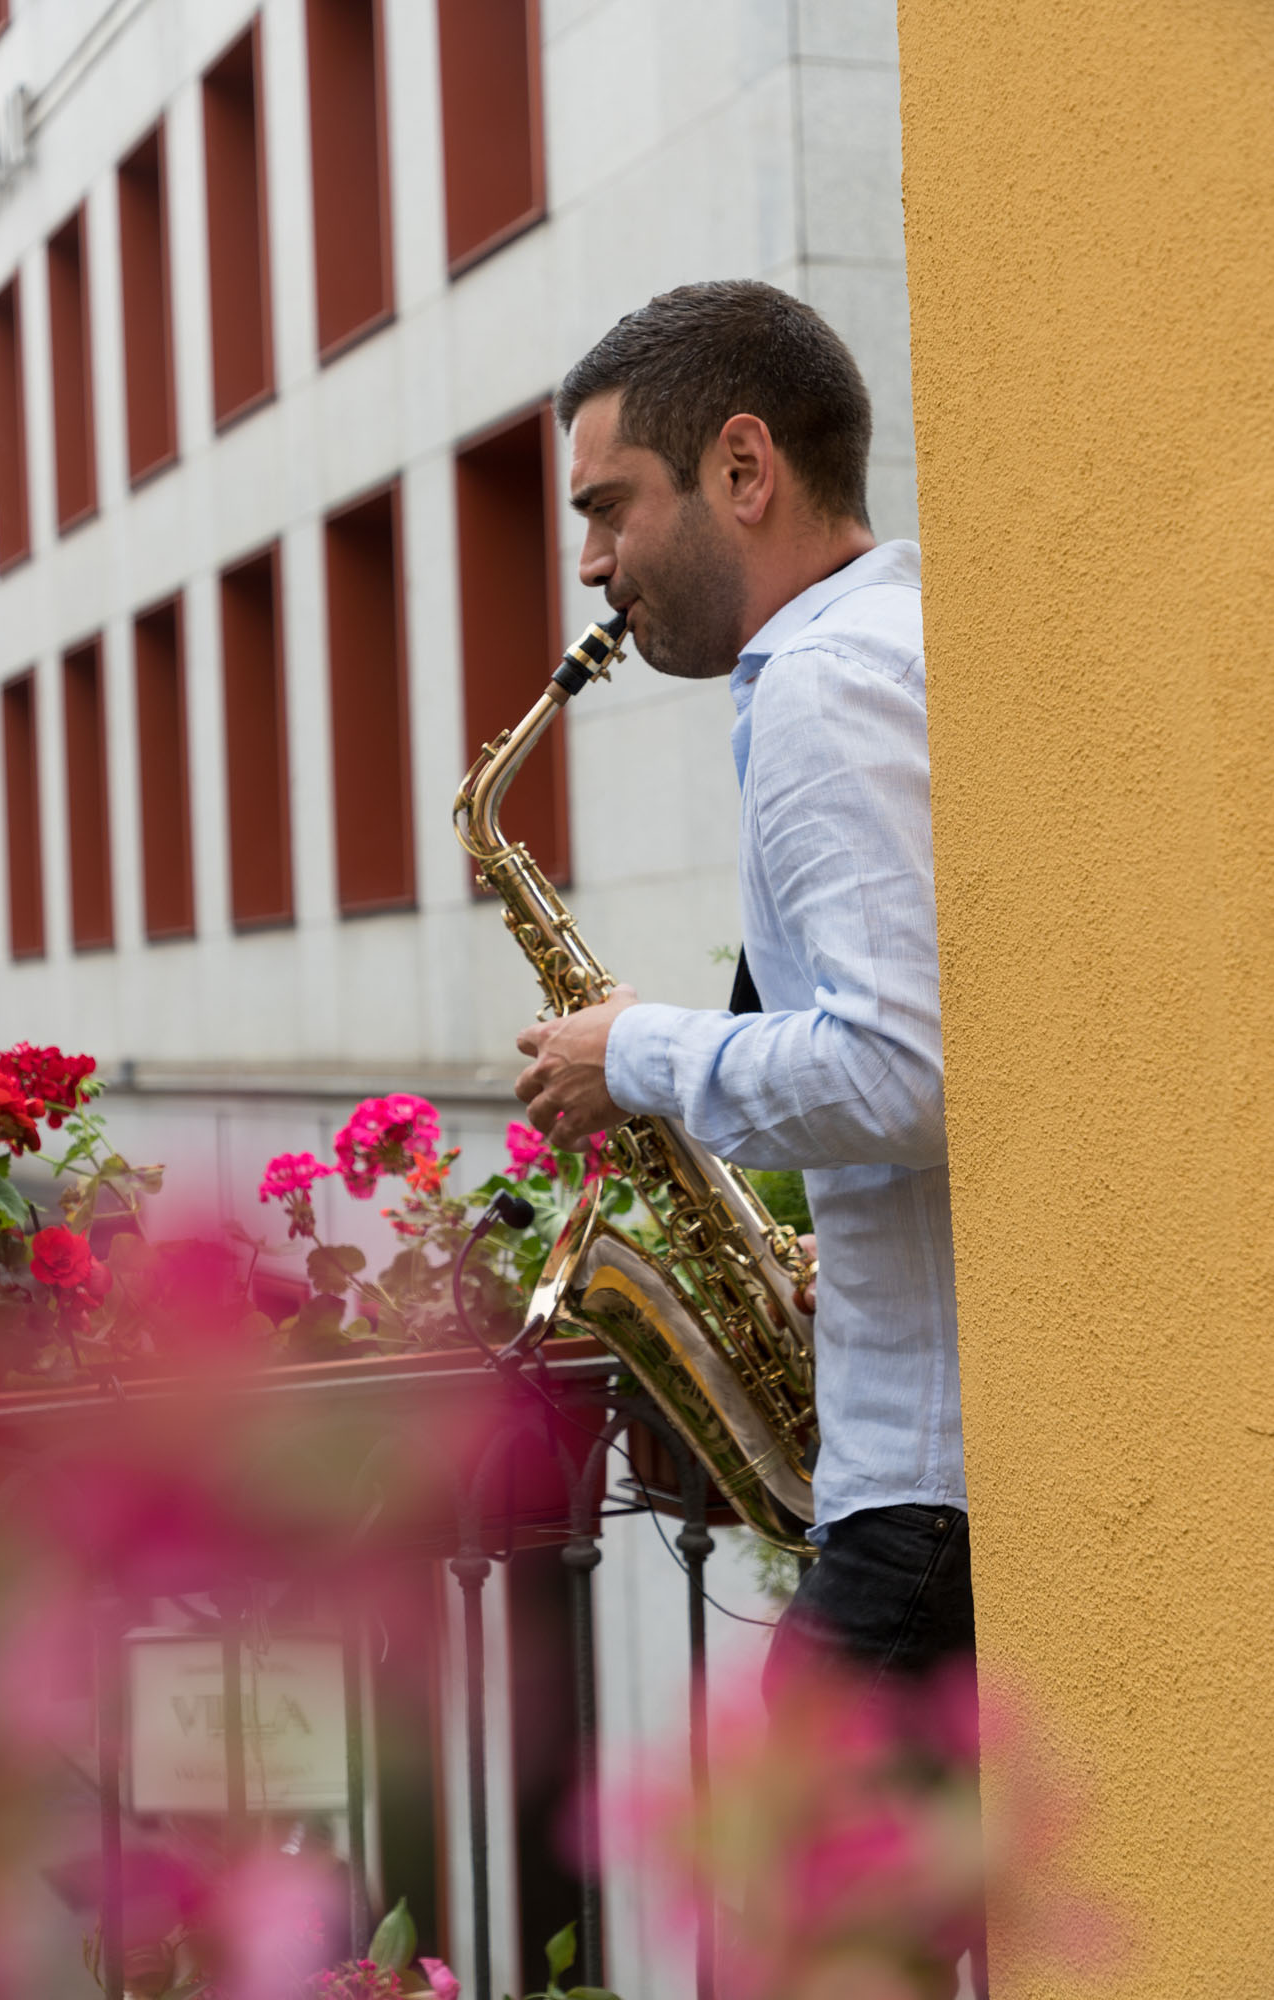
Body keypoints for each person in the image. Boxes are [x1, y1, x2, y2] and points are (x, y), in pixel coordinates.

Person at [513, 278, 973, 1693]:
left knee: (795, 1847)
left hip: (929, 1500)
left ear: (742, 469)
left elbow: (908, 1069)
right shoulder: (908, 647)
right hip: (963, 1467)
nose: (590, 563)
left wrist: (632, 1054)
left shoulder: (824, 687)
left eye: (609, 506)